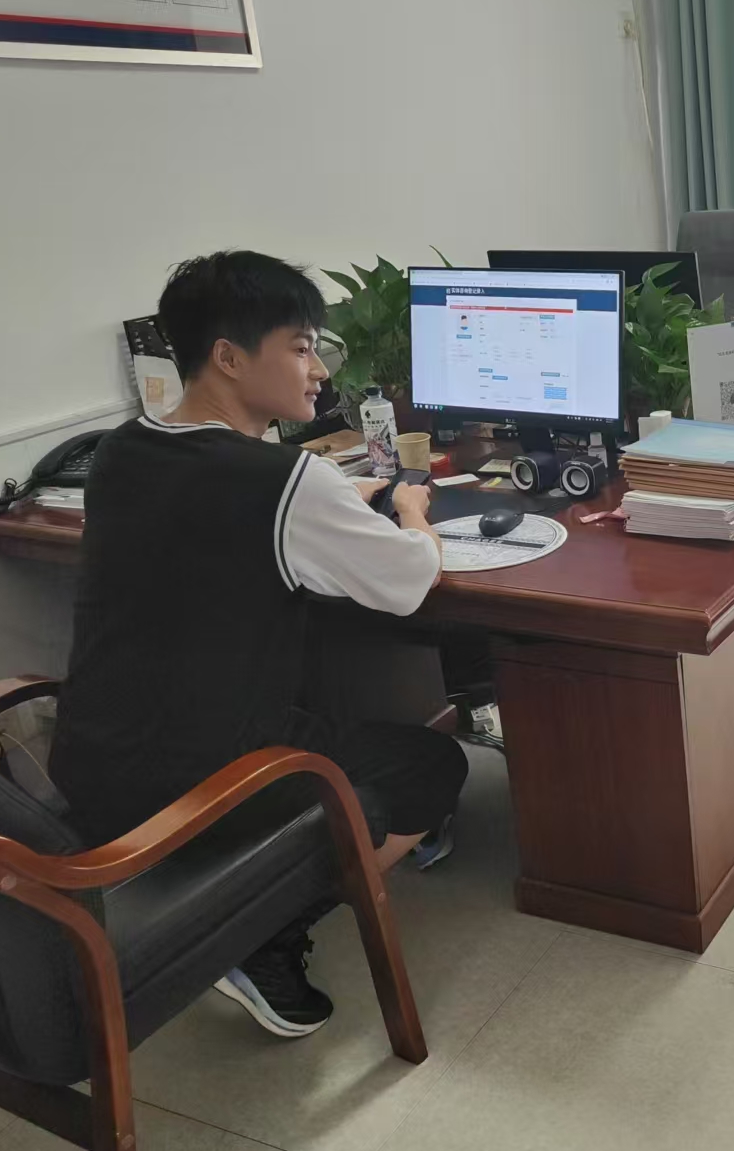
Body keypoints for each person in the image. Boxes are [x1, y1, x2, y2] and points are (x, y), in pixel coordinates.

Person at [51, 250, 467, 1040]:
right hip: (209, 779)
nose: (318, 370)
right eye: (301, 347)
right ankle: (263, 930)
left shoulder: (120, 451)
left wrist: (330, 498)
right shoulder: (283, 481)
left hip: (92, 762)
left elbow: (215, 516)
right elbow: (410, 579)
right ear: (229, 358)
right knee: (432, 764)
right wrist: (412, 512)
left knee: (323, 703)